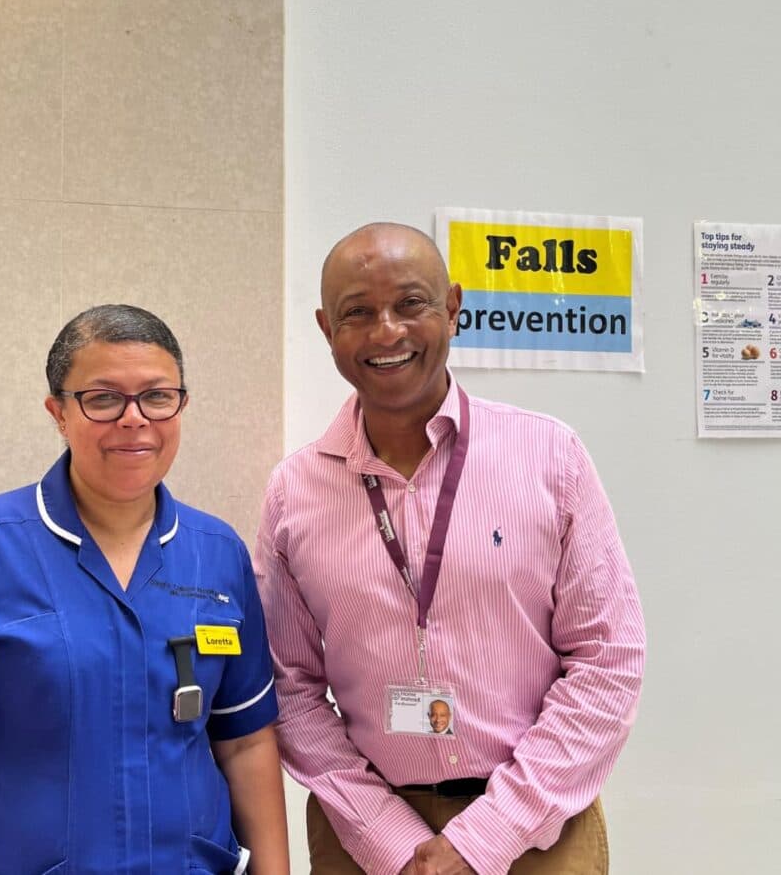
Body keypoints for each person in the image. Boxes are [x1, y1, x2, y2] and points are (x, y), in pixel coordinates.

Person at [254, 224, 645, 875]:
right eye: (358, 312)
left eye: (411, 303)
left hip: (535, 830)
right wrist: (387, 835)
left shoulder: (550, 458)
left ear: (454, 308)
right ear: (327, 329)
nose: (387, 332)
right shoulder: (295, 491)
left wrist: (486, 837)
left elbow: (608, 661)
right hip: (364, 835)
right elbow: (287, 686)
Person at [0, 304, 289, 874]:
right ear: (58, 413)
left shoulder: (217, 553)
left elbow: (245, 741)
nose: (134, 419)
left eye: (157, 396)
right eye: (103, 398)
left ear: (181, 404)